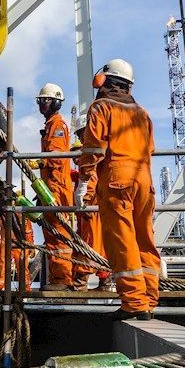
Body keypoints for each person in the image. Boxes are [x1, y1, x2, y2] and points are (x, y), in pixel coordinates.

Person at [76, 59, 160, 320]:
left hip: (117, 178)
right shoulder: (143, 113)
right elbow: (151, 149)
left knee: (122, 242)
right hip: (144, 180)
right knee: (144, 239)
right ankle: (149, 299)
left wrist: (84, 181)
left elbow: (93, 150)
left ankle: (134, 303)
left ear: (104, 81)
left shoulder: (101, 107)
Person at [35, 83, 74, 291]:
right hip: (51, 187)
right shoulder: (51, 124)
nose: (42, 104)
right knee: (51, 234)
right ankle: (57, 278)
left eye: (45, 100)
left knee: (58, 234)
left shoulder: (57, 125)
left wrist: (39, 162)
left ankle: (62, 279)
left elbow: (56, 159)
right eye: (40, 101)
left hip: (57, 187)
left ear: (56, 102)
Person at [70, 118, 111, 292]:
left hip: (90, 208)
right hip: (97, 207)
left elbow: (91, 180)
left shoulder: (89, 158)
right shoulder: (96, 154)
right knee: (100, 244)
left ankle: (80, 282)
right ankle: (105, 282)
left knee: (88, 245)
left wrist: (85, 200)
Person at [0, 214, 34, 291]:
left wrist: (31, 245)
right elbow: (0, 222)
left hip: (20, 243)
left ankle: (25, 289)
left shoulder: (23, 211)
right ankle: (0, 288)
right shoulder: (4, 212)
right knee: (3, 266)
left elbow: (28, 230)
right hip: (8, 242)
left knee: (22, 266)